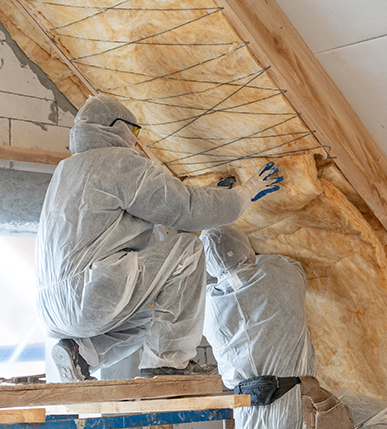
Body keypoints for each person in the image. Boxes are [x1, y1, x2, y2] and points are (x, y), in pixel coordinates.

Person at [35, 94, 281, 382]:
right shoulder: (119, 162)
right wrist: (243, 194)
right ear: (114, 127)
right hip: (90, 294)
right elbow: (184, 208)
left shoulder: (67, 170)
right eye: (134, 131)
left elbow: (155, 207)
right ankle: (167, 361)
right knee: (188, 250)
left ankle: (79, 353)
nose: (135, 140)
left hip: (53, 310)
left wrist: (210, 194)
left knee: (141, 321)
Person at [200, 226, 387, 429]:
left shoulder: (208, 305)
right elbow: (294, 265)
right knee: (386, 417)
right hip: (296, 422)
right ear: (247, 248)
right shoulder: (278, 276)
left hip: (246, 428)